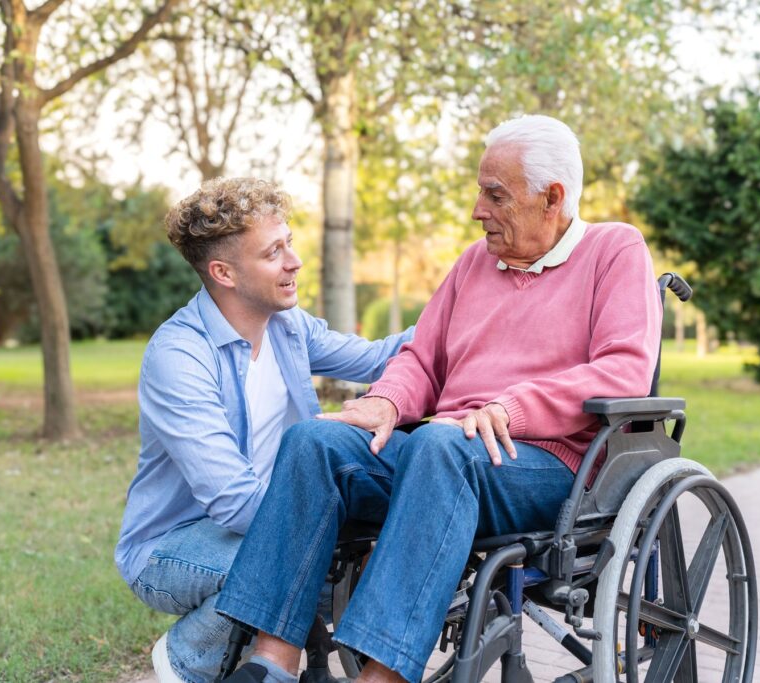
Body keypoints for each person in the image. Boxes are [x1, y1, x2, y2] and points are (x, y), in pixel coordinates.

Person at [214, 114, 663, 683]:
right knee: (315, 442)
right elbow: (422, 358)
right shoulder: (474, 263)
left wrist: (512, 408)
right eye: (480, 191)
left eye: (495, 195)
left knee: (439, 444)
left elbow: (624, 370)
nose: (478, 209)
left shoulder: (614, 250)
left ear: (552, 198)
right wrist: (387, 402)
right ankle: (271, 664)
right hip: (444, 451)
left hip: (548, 463)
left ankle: (382, 676)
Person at [114, 177, 413, 683]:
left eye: (289, 243)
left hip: (273, 521)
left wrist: (463, 317)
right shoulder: (180, 356)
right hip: (171, 547)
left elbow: (380, 357)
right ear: (224, 272)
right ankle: (188, 659)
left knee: (334, 564)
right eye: (274, 252)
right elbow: (232, 501)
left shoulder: (288, 328)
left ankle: (260, 660)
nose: (294, 261)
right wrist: (325, 522)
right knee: (297, 566)